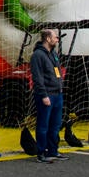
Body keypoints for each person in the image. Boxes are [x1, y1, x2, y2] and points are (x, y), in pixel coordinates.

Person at [30, 28, 67, 162]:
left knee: (55, 125)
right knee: (43, 124)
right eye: (55, 37)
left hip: (57, 93)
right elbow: (38, 77)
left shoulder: (53, 54)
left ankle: (53, 150)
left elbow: (57, 71)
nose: (57, 39)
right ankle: (41, 152)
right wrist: (44, 95)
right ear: (47, 38)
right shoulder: (38, 55)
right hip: (46, 94)